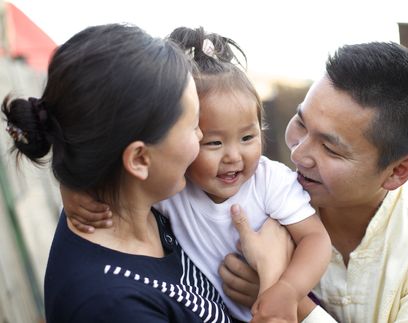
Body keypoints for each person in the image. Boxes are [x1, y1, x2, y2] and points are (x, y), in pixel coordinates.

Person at [60, 27, 332, 322]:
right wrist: (73, 185)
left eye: (248, 138)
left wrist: (286, 288)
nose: (232, 156)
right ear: (139, 158)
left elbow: (316, 240)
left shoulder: (269, 181)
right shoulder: (172, 194)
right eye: (207, 139)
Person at [219, 42, 408, 322]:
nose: (298, 154)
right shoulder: (254, 208)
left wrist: (282, 295)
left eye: (330, 148)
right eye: (301, 123)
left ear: (397, 171)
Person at [2, 23, 235, 322]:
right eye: (193, 126)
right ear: (139, 159)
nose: (202, 136)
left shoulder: (143, 199)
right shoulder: (112, 306)